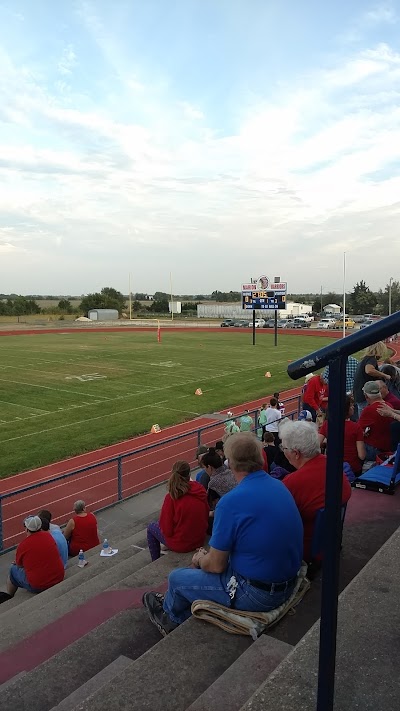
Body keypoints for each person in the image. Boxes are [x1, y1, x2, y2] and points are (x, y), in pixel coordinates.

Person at [143, 433, 304, 636]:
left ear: (231, 464)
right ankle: (179, 603)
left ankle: (170, 617)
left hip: (258, 593)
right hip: (284, 580)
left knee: (177, 577)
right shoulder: (278, 485)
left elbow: (216, 565)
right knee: (195, 573)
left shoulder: (231, 502)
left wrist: (201, 559)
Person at [281, 420, 351, 562]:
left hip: (306, 549)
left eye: (284, 448)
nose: (283, 451)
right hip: (330, 541)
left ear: (296, 453)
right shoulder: (334, 466)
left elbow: (279, 524)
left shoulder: (292, 482)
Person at [146, 461, 209, 562]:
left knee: (151, 527)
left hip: (181, 544)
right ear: (189, 475)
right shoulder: (200, 490)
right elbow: (206, 513)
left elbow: (167, 530)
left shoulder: (172, 498)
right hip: (199, 539)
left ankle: (155, 560)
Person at [3, 516, 64, 599]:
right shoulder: (49, 536)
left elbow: (19, 565)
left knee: (13, 569)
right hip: (59, 576)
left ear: (27, 529)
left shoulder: (23, 545)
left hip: (39, 585)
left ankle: (9, 596)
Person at [318, 395, 365, 476]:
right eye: (351, 405)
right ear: (346, 409)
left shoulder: (327, 425)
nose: (353, 407)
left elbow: (316, 444)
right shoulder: (356, 427)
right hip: (353, 469)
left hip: (333, 467)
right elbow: (362, 455)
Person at [353, 342, 390, 418]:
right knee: (366, 417)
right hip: (365, 396)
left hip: (359, 394)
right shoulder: (371, 359)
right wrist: (385, 375)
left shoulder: (364, 360)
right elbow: (369, 370)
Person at [359, 381, 394, 459]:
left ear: (366, 396)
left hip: (373, 449)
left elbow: (359, 431)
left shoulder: (368, 410)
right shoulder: (389, 405)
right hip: (387, 447)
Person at [202, 449, 237, 514]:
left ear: (209, 467)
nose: (205, 470)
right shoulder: (232, 473)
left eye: (205, 467)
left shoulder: (213, 484)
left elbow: (211, 506)